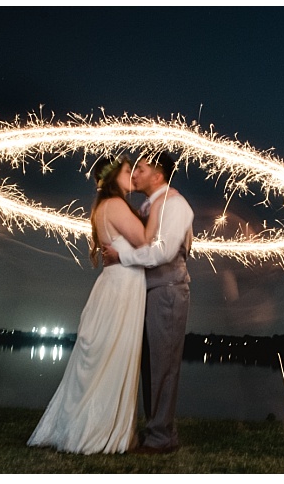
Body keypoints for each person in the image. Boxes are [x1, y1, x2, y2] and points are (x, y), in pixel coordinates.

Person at [28, 156, 151, 454]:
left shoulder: (101, 208)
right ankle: (101, 432)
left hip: (116, 286)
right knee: (114, 354)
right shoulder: (116, 206)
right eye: (126, 170)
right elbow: (146, 239)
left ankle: (96, 426)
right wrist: (161, 206)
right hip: (122, 289)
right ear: (111, 178)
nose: (131, 174)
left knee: (106, 355)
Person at [95, 151, 195, 454]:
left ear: (158, 175)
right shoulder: (149, 206)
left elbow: (163, 253)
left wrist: (121, 256)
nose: (134, 174)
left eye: (140, 169)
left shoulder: (175, 204)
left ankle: (162, 437)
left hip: (167, 290)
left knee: (164, 364)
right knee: (150, 364)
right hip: (145, 290)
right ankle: (156, 431)